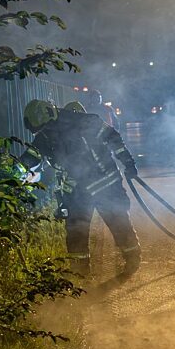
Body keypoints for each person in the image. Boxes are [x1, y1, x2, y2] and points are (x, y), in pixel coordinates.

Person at [23, 99, 141, 276]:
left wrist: (128, 163)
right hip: (78, 193)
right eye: (41, 130)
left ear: (50, 116)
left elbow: (113, 137)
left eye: (46, 127)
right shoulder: (45, 136)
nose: (46, 132)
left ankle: (133, 259)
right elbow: (29, 159)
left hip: (106, 187)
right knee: (76, 234)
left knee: (119, 224)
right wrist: (8, 174)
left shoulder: (85, 121)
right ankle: (80, 275)